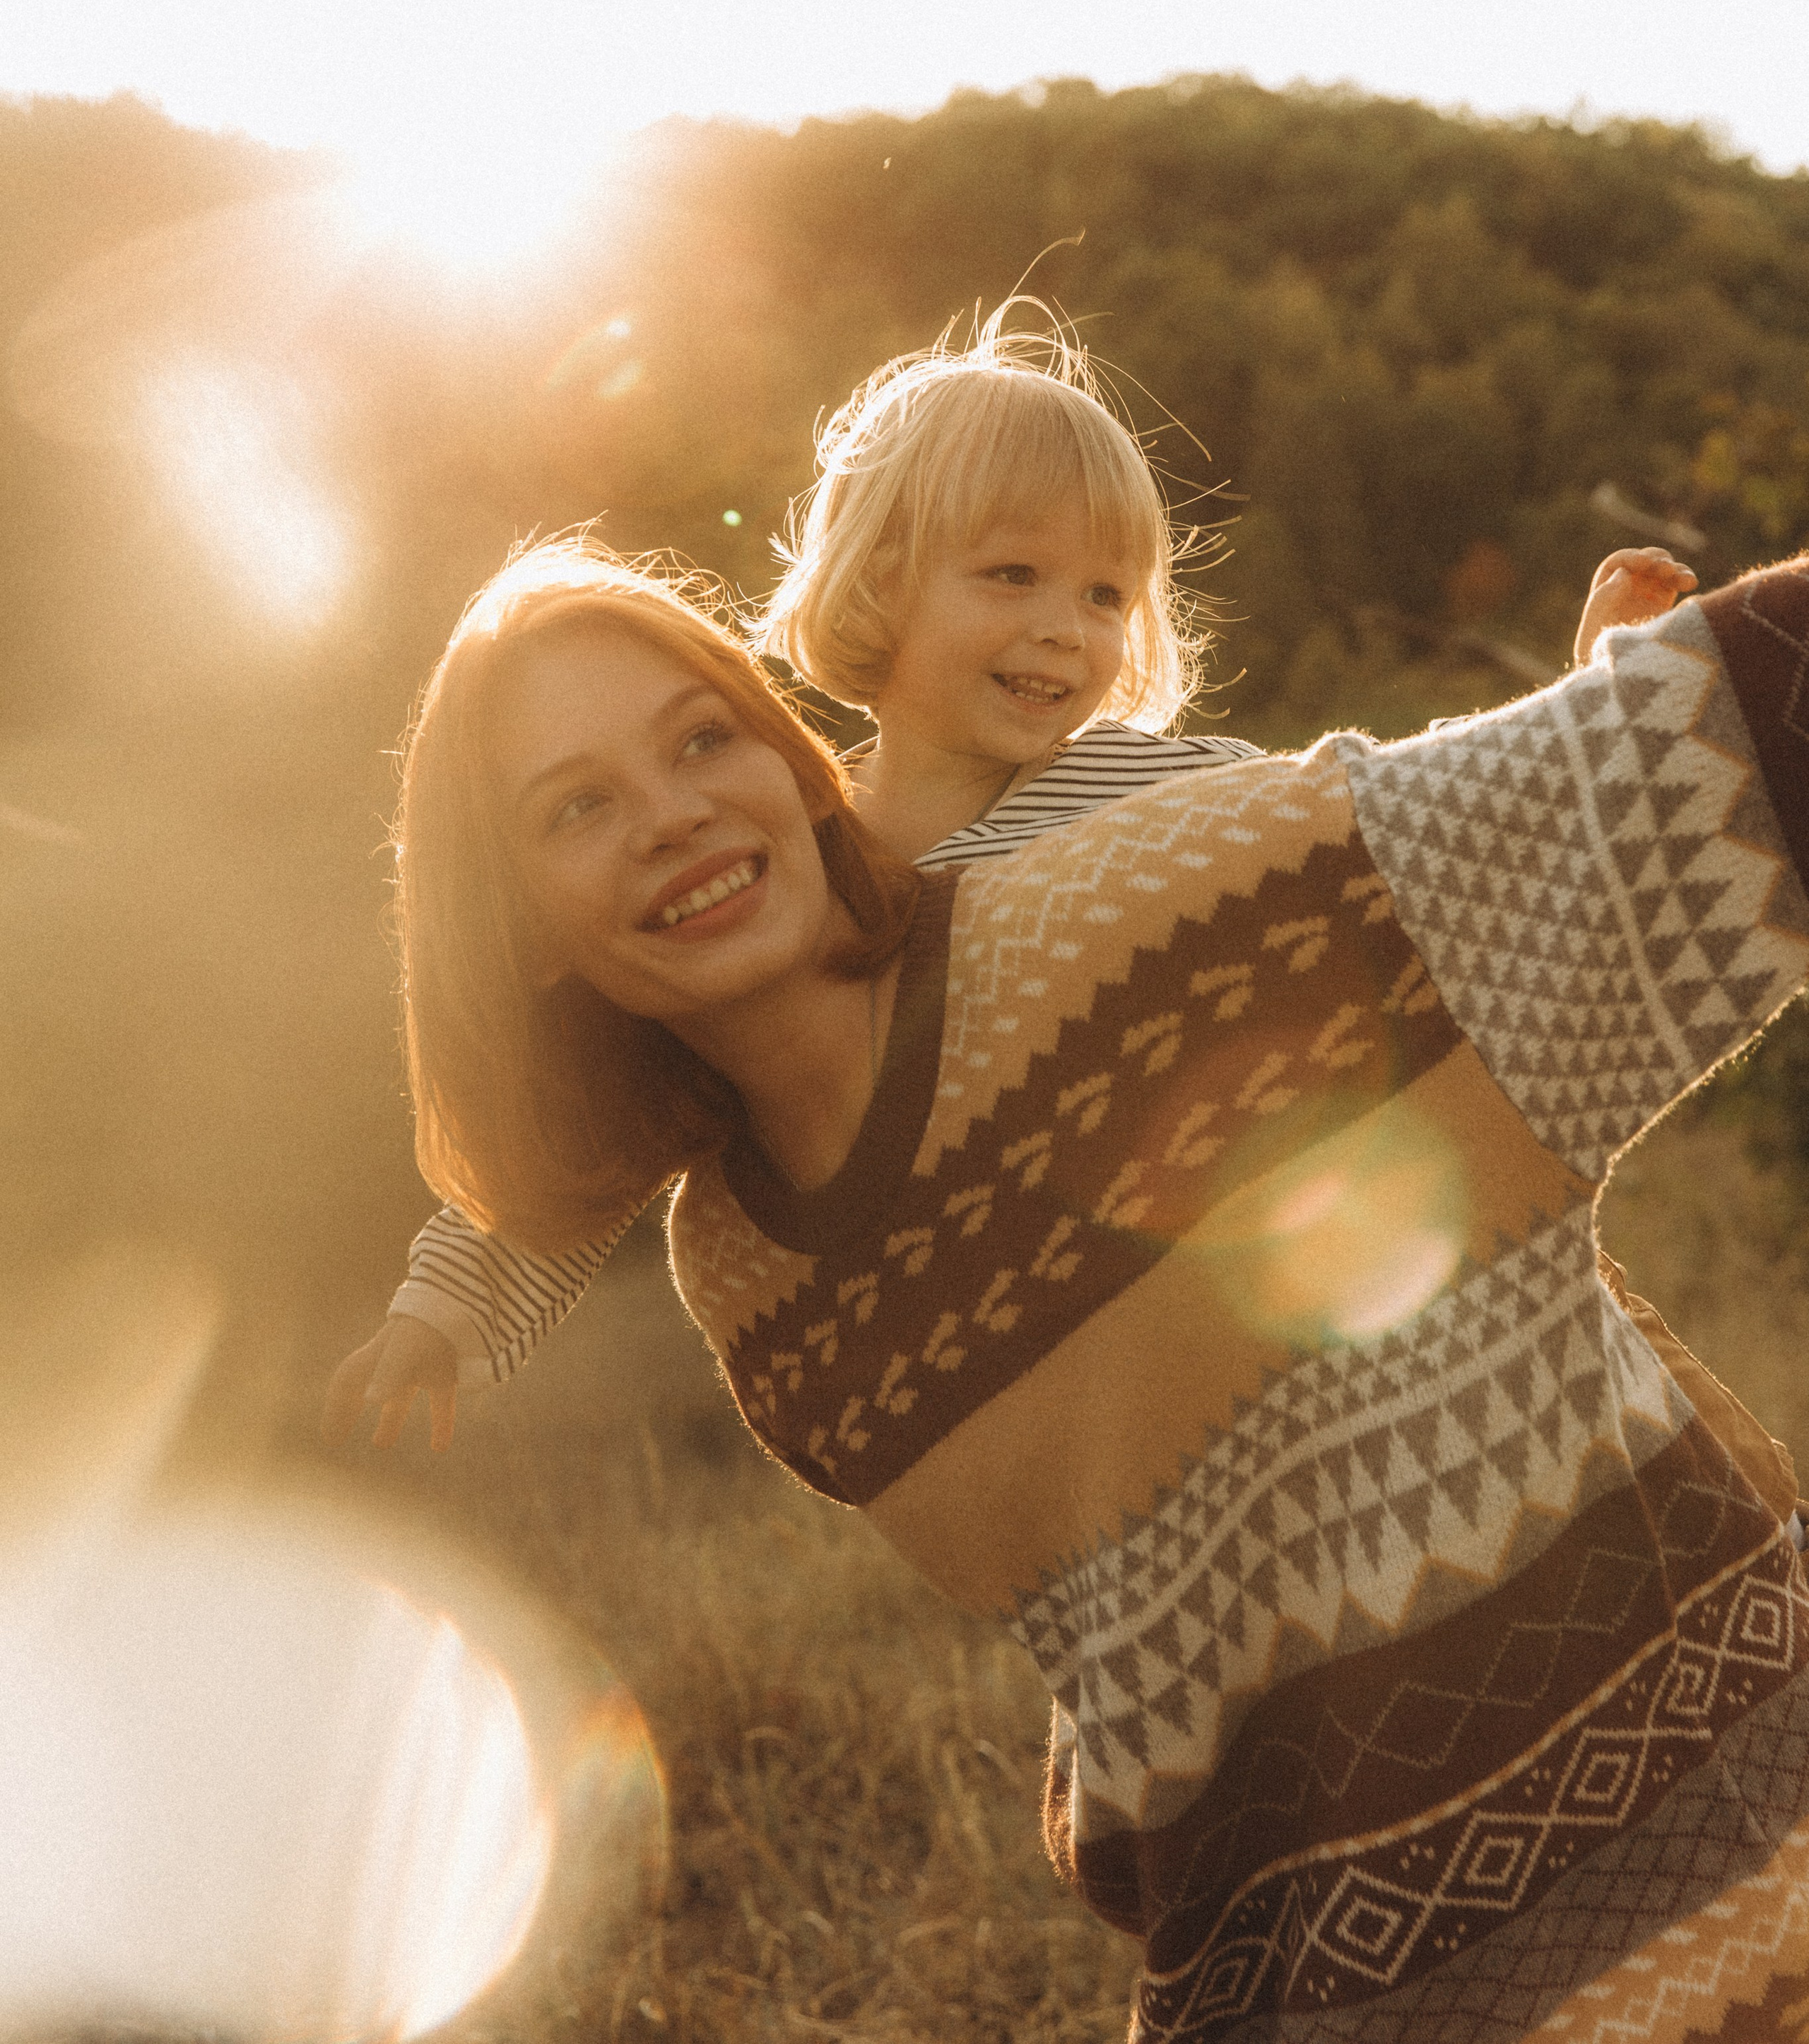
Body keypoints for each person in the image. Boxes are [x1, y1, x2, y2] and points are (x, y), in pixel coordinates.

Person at [328, 533, 1809, 2033]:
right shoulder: (747, 1280)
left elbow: (1727, 716)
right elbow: (1148, 1629)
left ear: (788, 761)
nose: (671, 814)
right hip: (1304, 1975)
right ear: (512, 932)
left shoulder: (1145, 915)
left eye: (703, 739)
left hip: (1725, 1874)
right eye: (577, 808)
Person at [341, 321, 1792, 1520]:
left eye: (1105, 593)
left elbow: (1395, 845)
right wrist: (446, 1315)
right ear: (878, 591)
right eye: (1011, 576)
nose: (1064, 629)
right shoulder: (801, 869)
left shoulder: (1143, 785)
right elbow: (585, 1158)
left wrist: (1580, 695)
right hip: (1054, 1352)